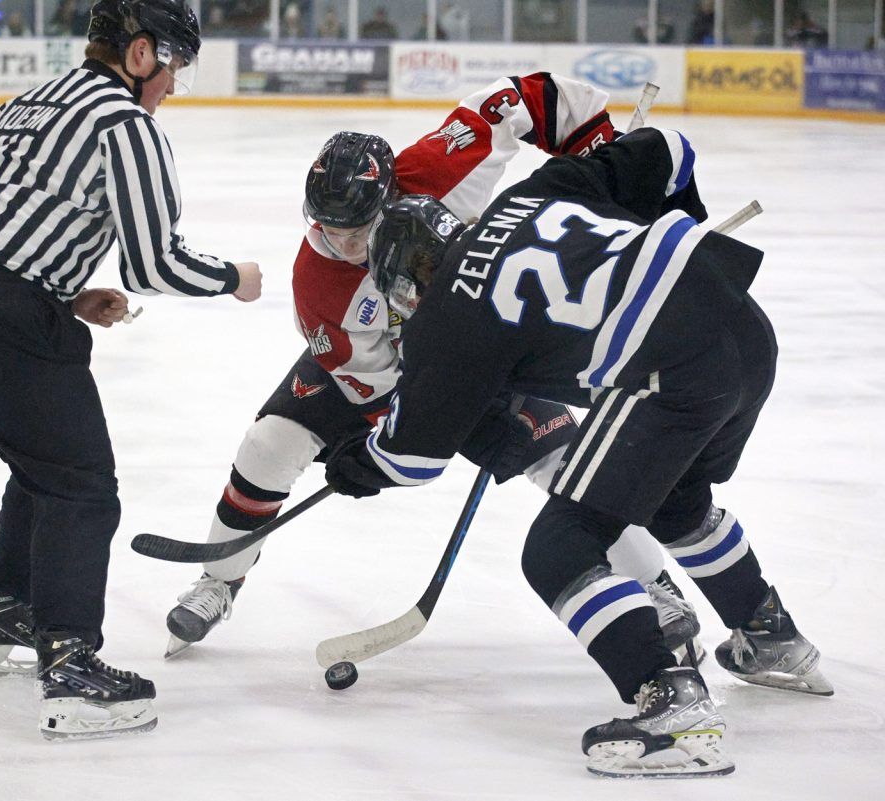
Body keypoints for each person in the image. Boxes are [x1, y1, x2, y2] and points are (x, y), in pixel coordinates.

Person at [326, 128, 833, 777]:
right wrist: (666, 247)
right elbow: (665, 149)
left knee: (558, 547)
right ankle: (771, 638)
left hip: (677, 375)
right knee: (676, 500)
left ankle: (672, 704)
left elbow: (414, 457)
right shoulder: (530, 193)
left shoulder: (444, 318)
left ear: (407, 277)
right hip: (745, 328)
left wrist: (356, 463)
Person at [163, 73, 702, 664]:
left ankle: (658, 590)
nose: (342, 246)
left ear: (392, 194)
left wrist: (597, 155)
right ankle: (220, 578)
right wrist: (430, 429)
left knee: (567, 462)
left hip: (491, 342)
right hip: (394, 371)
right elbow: (374, 387)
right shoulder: (318, 285)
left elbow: (521, 97)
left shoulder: (440, 167)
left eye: (357, 231)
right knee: (270, 442)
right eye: (328, 229)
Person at [0, 0, 262, 741]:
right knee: (81, 484)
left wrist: (63, 290)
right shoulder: (124, 123)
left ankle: (9, 610)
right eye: (171, 71)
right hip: (2, 310)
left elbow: (3, 212)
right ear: (140, 54)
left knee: (43, 462)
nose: (170, 88)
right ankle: (69, 664)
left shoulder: (36, 99)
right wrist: (235, 277)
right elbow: (154, 261)